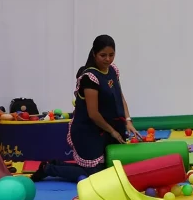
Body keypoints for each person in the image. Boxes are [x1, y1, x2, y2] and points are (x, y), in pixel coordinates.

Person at [56, 35, 139, 182]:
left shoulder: (113, 70)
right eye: (103, 55)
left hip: (107, 126)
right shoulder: (89, 78)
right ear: (94, 54)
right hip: (88, 130)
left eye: (111, 55)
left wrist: (128, 121)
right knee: (94, 175)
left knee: (113, 168)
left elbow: (120, 97)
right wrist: (112, 131)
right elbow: (93, 114)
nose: (108, 59)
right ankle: (50, 168)